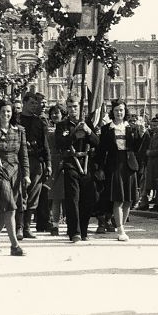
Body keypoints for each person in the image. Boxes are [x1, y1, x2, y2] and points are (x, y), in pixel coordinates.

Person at [0, 100, 30, 256]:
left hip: (15, 171)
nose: (6, 114)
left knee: (6, 211)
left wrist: (27, 174)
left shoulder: (20, 130)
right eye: (3, 111)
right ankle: (14, 245)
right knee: (9, 208)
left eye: (9, 111)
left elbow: (24, 155)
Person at [95, 99, 144, 242]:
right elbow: (101, 150)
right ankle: (120, 228)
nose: (119, 113)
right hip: (114, 164)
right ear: (113, 112)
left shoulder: (132, 128)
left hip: (129, 164)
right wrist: (100, 168)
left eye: (121, 110)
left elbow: (137, 148)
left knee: (128, 199)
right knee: (118, 198)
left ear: (125, 111)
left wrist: (141, 135)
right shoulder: (106, 129)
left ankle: (122, 225)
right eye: (116, 110)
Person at [55, 97, 99, 242]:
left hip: (87, 164)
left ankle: (84, 230)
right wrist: (74, 136)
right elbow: (60, 143)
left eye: (75, 106)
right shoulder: (62, 125)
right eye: (70, 107)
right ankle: (75, 231)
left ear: (80, 107)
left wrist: (88, 132)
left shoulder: (87, 123)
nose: (73, 110)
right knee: (73, 198)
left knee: (88, 198)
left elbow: (97, 142)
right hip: (71, 163)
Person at [16, 92, 51, 240]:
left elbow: (45, 144)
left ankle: (27, 227)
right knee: (20, 194)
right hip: (19, 162)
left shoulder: (40, 122)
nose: (34, 106)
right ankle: (19, 227)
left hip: (36, 161)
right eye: (31, 103)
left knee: (33, 195)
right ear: (24, 103)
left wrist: (48, 164)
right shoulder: (16, 120)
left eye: (36, 103)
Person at [47, 104, 65, 236]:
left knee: (69, 196)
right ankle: (55, 225)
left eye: (57, 113)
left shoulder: (66, 127)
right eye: (52, 113)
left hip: (66, 161)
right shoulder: (48, 129)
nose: (55, 115)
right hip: (53, 162)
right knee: (56, 196)